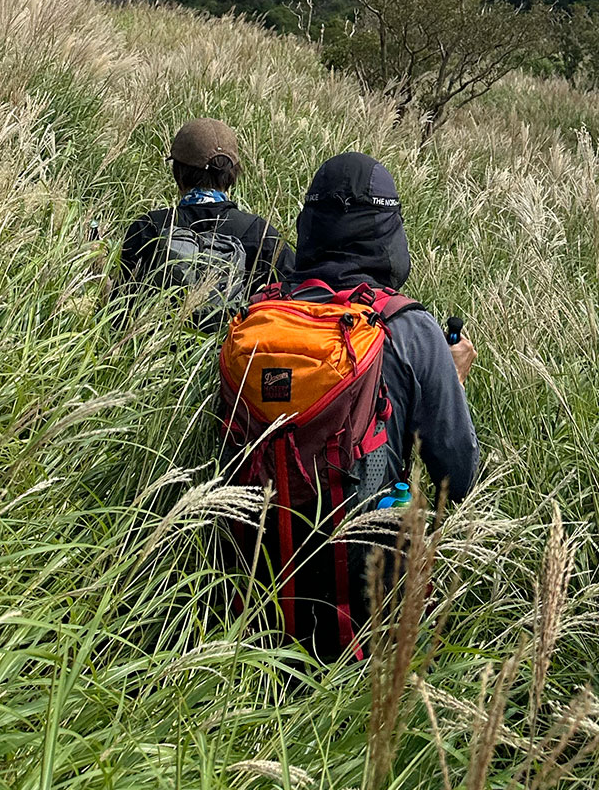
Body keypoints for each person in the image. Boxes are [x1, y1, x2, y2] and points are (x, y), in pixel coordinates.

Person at [288, 151, 479, 507]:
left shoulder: (258, 313)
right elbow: (457, 480)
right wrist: (453, 377)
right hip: (365, 554)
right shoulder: (411, 330)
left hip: (245, 551)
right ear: (387, 230)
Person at [120, 118, 289, 313]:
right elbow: (289, 297)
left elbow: (122, 303)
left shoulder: (149, 227)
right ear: (232, 175)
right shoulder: (260, 233)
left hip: (150, 340)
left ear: (178, 172)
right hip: (234, 343)